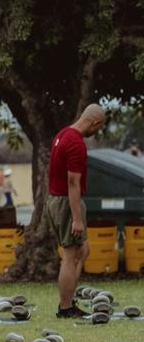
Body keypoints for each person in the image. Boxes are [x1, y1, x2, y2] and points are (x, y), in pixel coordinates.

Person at [45, 103, 106, 319]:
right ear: (95, 122)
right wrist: (77, 219)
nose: (95, 133)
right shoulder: (76, 143)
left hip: (55, 199)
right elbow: (73, 183)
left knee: (84, 250)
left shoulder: (63, 134)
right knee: (70, 255)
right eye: (97, 129)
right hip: (66, 203)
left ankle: (69, 301)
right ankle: (65, 307)